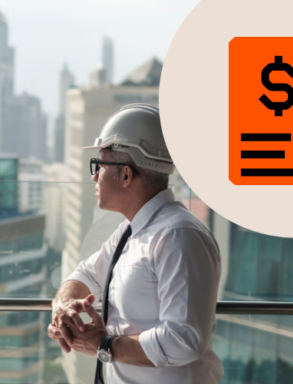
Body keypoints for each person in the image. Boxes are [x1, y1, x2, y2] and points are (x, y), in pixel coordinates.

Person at [48, 104, 224, 383]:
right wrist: (64, 307)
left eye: (100, 165)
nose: (94, 176)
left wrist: (104, 345)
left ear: (126, 175)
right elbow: (86, 274)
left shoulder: (178, 236)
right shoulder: (130, 232)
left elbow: (184, 338)